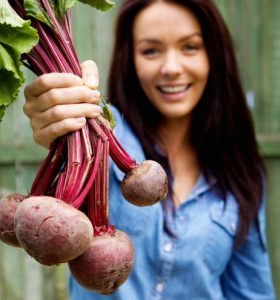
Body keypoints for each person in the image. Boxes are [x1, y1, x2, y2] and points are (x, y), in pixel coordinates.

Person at [23, 0, 276, 299]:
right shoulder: (98, 131)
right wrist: (60, 115)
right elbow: (66, 130)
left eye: (190, 47)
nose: (171, 68)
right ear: (130, 60)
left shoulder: (241, 172)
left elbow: (250, 292)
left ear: (213, 55)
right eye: (151, 50)